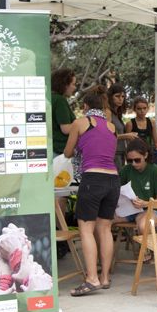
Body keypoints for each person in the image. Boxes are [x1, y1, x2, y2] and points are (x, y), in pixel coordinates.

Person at [64, 92, 120, 295]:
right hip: (113, 179)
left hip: (93, 178)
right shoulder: (112, 127)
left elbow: (67, 153)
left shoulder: (81, 123)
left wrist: (79, 145)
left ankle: (92, 278)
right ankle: (105, 277)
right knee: (104, 229)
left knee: (86, 230)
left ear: (86, 106)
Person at [114, 138, 157, 248]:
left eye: (137, 160)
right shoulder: (126, 170)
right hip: (129, 210)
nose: (133, 164)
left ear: (145, 155)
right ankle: (102, 257)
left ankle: (146, 251)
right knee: (102, 220)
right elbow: (116, 190)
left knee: (143, 225)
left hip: (152, 210)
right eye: (130, 161)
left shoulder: (154, 170)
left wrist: (145, 204)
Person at [107, 83, 139, 170]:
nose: (120, 99)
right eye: (117, 96)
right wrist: (127, 136)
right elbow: (107, 135)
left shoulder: (117, 113)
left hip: (120, 153)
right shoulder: (108, 112)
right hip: (113, 153)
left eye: (123, 96)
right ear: (110, 97)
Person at [51, 68, 76, 156]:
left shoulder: (51, 98)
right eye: (73, 84)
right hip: (60, 151)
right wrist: (83, 124)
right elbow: (66, 129)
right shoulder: (60, 100)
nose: (75, 87)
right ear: (64, 84)